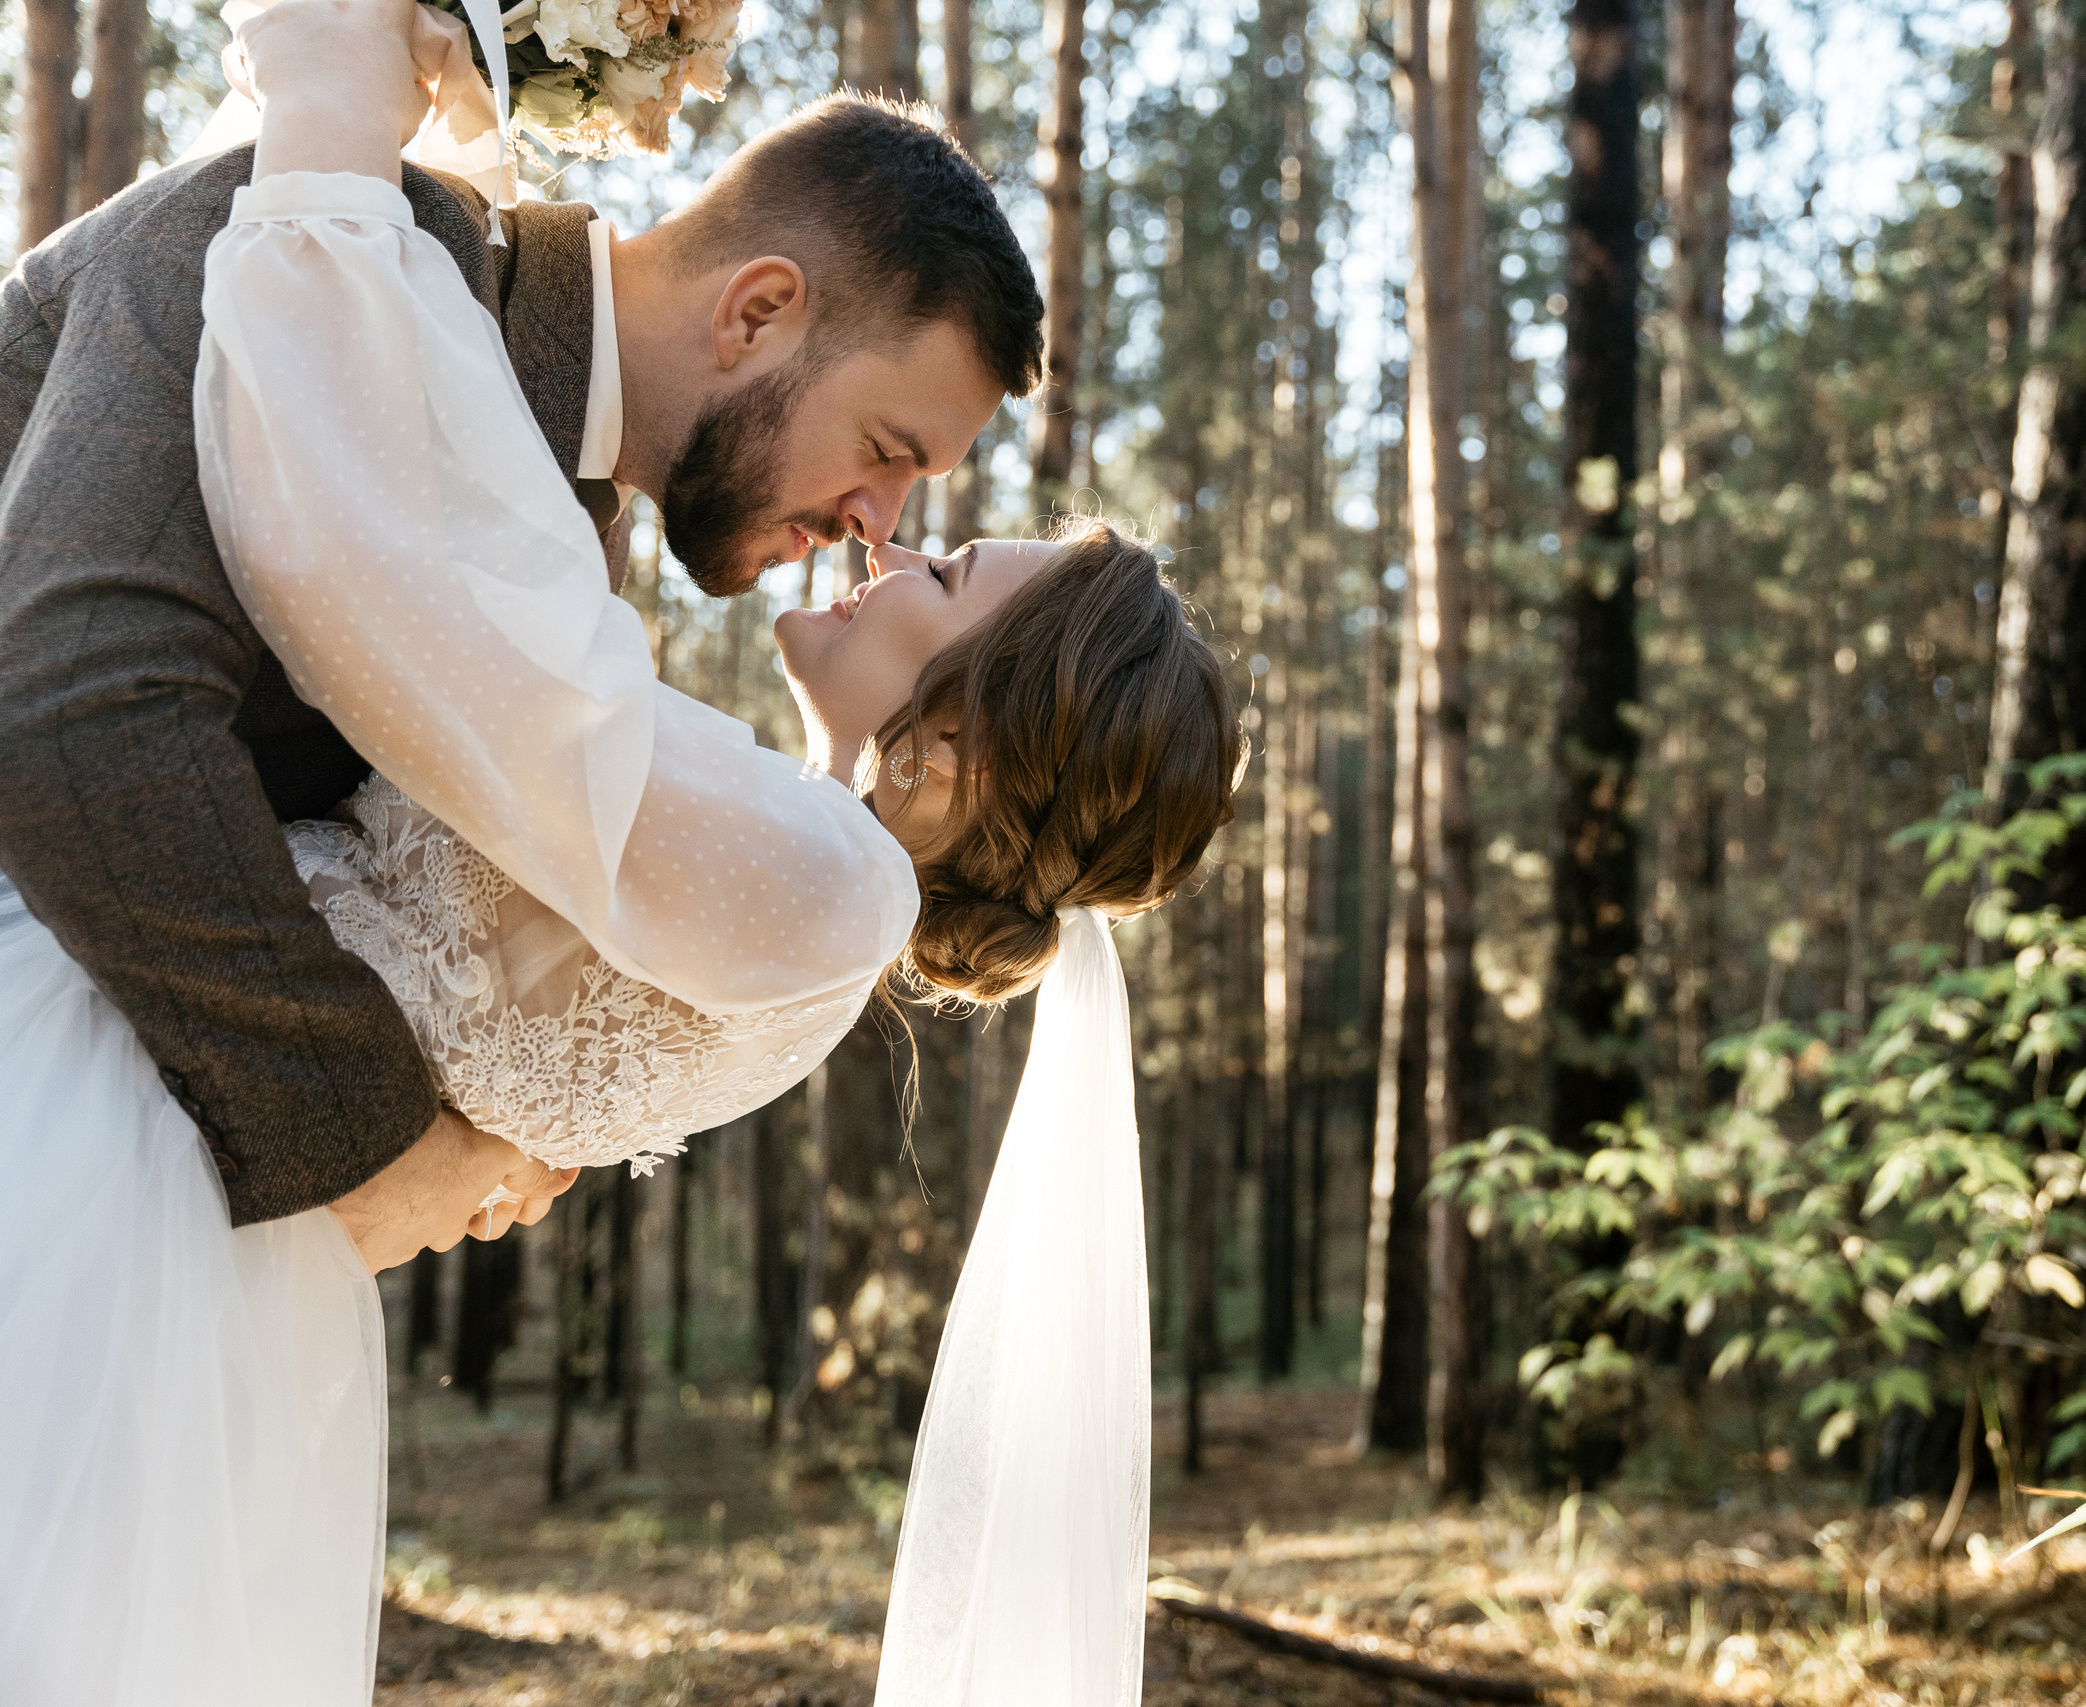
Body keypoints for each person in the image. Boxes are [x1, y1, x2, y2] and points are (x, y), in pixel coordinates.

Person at [0, 4, 1239, 1702]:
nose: (876, 531)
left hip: (177, 1218)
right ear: (759, 311)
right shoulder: (301, 236)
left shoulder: (577, 567)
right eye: (889, 458)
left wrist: (456, 1131)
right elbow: (80, 705)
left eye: (924, 527)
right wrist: (383, 1138)